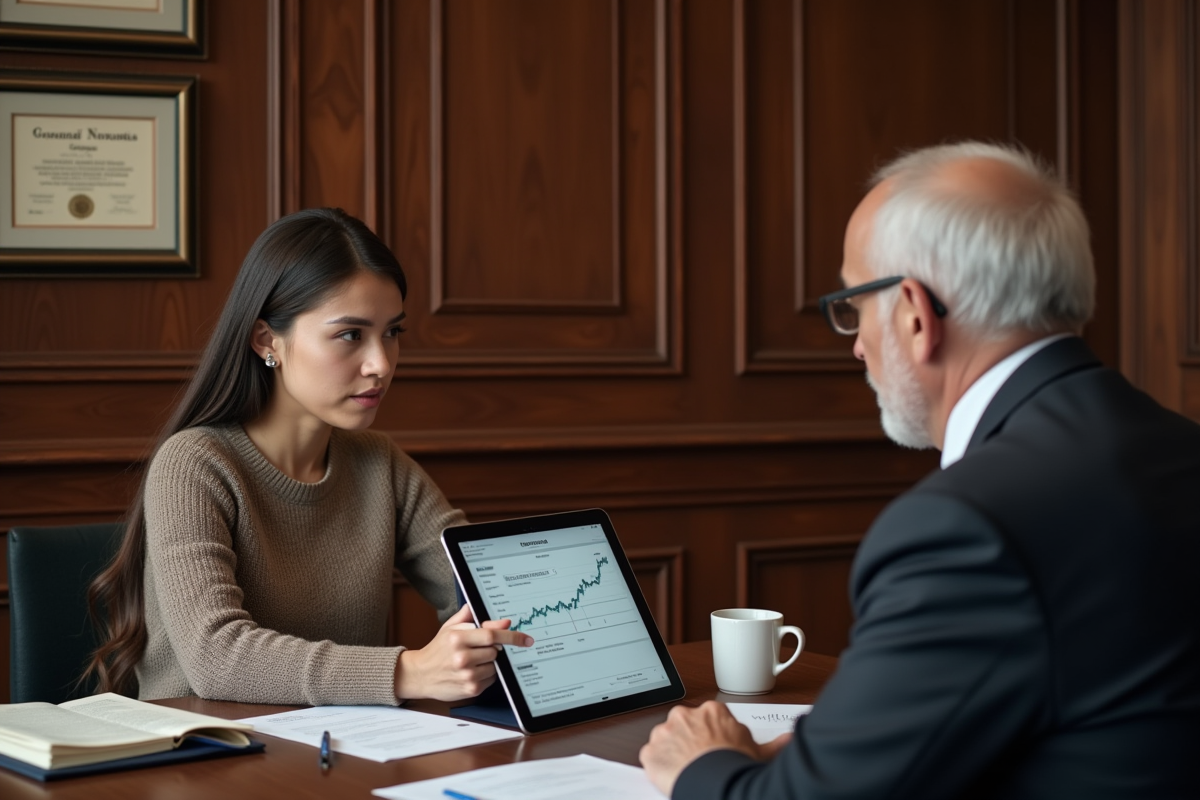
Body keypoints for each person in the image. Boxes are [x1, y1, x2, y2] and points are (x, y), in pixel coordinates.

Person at [640, 142, 1200, 798]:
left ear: (913, 313)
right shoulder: (1178, 447)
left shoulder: (968, 525)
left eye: (854, 306)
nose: (855, 342)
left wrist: (704, 764)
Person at [85, 208, 532, 706]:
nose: (381, 363)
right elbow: (216, 658)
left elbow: (483, 592)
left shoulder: (379, 464)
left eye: (392, 332)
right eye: (350, 334)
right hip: (203, 760)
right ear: (267, 341)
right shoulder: (194, 464)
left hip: (342, 751)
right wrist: (406, 671)